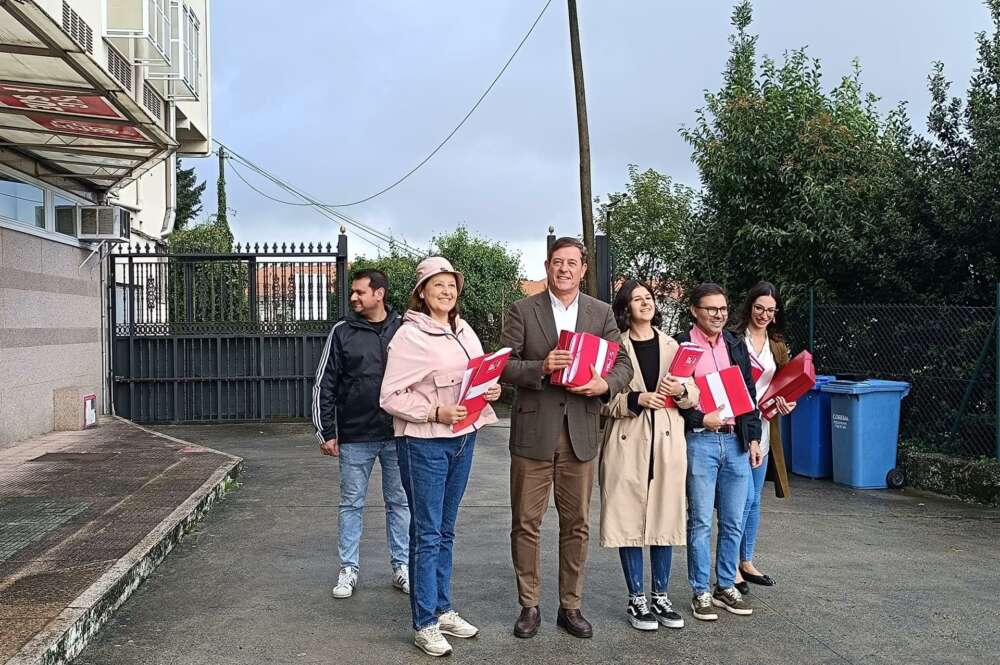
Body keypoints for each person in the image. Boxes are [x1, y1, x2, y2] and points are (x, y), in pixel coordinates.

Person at [500, 237, 633, 640]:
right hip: (533, 433)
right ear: (547, 265)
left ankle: (570, 606)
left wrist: (603, 384)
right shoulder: (523, 309)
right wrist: (539, 367)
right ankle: (530, 605)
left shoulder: (601, 312)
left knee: (576, 525)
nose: (564, 270)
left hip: (580, 432)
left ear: (583, 269)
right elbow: (502, 365)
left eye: (572, 263)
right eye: (558, 263)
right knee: (526, 523)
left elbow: (622, 363)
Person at [380, 257, 501, 658]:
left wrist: (489, 390)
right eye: (438, 286)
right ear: (422, 292)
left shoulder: (463, 329)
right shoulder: (408, 337)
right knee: (427, 532)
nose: (447, 292)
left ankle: (443, 607)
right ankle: (425, 623)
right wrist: (434, 412)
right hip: (424, 443)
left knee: (445, 530)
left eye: (451, 285)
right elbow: (390, 396)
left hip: (463, 438)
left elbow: (476, 375)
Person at [600, 280, 700, 632]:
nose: (645, 302)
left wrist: (682, 390)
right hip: (629, 439)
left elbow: (695, 393)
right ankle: (636, 599)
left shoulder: (675, 346)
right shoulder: (615, 347)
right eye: (636, 298)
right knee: (628, 520)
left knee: (665, 518)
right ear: (626, 307)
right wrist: (634, 400)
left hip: (668, 440)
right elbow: (601, 399)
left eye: (649, 297)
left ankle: (661, 596)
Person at [312, 269, 409, 600]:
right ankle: (348, 569)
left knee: (400, 502)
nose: (353, 297)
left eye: (359, 292)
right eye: (352, 292)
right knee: (351, 503)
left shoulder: (404, 328)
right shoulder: (342, 332)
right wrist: (326, 430)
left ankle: (402, 567)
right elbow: (324, 383)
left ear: (379, 294)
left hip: (399, 433)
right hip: (355, 435)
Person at [674, 283, 763, 621]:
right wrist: (700, 418)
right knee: (699, 521)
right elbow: (673, 398)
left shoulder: (734, 343)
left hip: (736, 441)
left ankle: (725, 585)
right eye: (711, 309)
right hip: (700, 441)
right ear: (695, 311)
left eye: (723, 308)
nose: (718, 314)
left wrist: (752, 438)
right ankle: (700, 591)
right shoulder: (682, 346)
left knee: (733, 520)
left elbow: (749, 393)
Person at [730, 281, 795, 594]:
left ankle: (746, 560)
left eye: (770, 310)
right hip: (736, 426)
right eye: (759, 308)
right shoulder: (732, 339)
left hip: (766, 428)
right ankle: (729, 567)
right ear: (749, 307)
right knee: (737, 500)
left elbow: (787, 385)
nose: (764, 315)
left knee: (754, 499)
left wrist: (788, 402)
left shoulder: (777, 346)